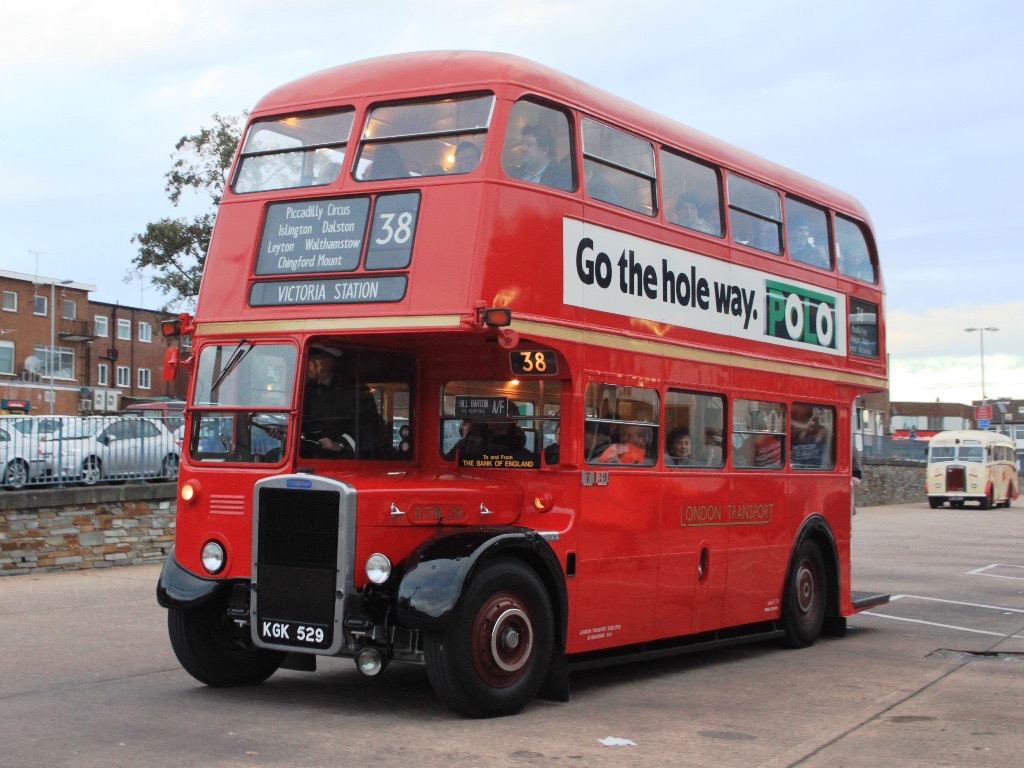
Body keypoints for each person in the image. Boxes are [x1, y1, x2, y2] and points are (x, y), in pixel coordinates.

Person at [299, 346, 385, 458]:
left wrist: (341, 444)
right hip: (310, 456)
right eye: (309, 359)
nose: (309, 365)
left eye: (314, 360)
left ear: (330, 361)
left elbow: (369, 426)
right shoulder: (308, 389)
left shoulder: (353, 389)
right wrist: (285, 431)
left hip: (342, 459)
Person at [517, 124, 571, 190]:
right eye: (522, 143)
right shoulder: (516, 173)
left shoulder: (560, 178)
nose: (523, 149)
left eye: (529, 144)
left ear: (544, 150)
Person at [789, 404, 828, 469]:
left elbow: (820, 436)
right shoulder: (792, 429)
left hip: (814, 470)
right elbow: (787, 423)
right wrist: (804, 427)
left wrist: (808, 428)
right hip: (795, 468)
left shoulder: (820, 430)